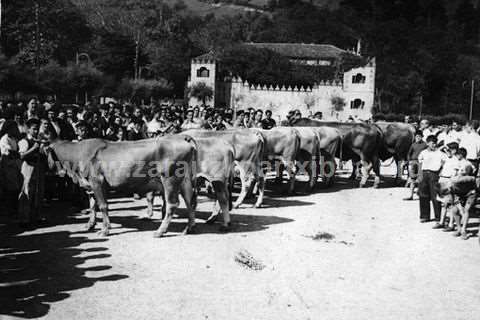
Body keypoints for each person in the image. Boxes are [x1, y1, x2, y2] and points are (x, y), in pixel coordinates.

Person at [18, 118, 48, 226]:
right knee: (27, 190)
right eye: (34, 129)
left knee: (38, 192)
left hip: (38, 167)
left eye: (37, 129)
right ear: (28, 130)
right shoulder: (24, 141)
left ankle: (36, 216)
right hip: (28, 167)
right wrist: (34, 148)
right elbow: (21, 155)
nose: (36, 132)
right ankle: (24, 218)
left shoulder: (39, 141)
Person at [417, 135, 446, 223]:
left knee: (435, 196)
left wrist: (440, 172)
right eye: (432, 143)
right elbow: (420, 164)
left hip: (434, 175)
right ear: (427, 143)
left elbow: (444, 164)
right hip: (424, 174)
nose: (434, 145)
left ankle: (438, 217)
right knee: (423, 195)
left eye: (435, 143)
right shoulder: (423, 152)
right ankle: (425, 216)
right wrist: (419, 175)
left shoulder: (440, 154)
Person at [0, 120, 22, 218]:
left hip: (15, 166)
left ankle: (14, 209)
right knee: (10, 188)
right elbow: (9, 153)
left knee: (16, 187)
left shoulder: (14, 139)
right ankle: (9, 210)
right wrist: (19, 154)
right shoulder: (4, 139)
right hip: (8, 166)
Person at [404, 130, 427, 200]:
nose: (418, 138)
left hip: (421, 163)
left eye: (419, 136)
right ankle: (411, 195)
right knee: (412, 179)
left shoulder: (425, 145)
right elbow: (408, 154)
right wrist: (409, 161)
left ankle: (421, 195)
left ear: (422, 137)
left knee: (420, 179)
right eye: (417, 136)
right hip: (413, 162)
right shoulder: (413, 144)